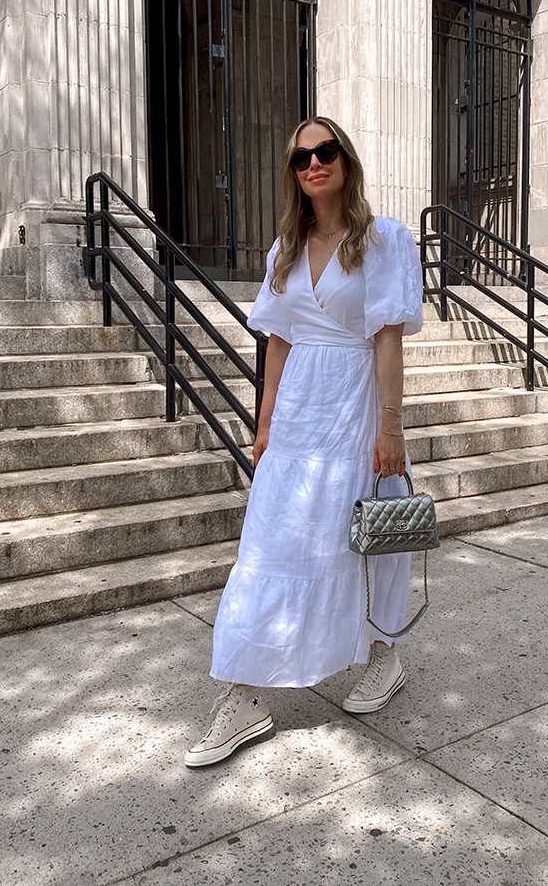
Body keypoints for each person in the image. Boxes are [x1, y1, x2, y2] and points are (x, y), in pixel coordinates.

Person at [185, 116, 423, 768]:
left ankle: (384, 654)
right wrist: (264, 428)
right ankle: (244, 693)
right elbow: (278, 345)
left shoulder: (383, 240)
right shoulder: (283, 250)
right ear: (293, 172)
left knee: (363, 536)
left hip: (355, 406)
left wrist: (391, 423)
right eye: (300, 157)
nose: (314, 162)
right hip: (298, 416)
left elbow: (388, 338)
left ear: (345, 158)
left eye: (325, 150)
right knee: (273, 541)